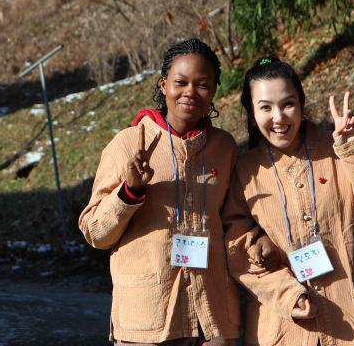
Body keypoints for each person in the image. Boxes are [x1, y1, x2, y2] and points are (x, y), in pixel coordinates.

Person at [79, 39, 279, 345]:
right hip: (147, 320)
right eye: (180, 82)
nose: (190, 92)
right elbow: (95, 233)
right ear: (163, 85)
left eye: (203, 84)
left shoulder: (223, 147)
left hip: (212, 318)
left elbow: (234, 220)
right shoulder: (127, 144)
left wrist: (258, 238)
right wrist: (129, 192)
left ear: (214, 91)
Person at [223, 55, 354, 345]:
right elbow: (237, 251)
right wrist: (288, 296)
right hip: (283, 331)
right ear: (252, 114)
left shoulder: (338, 150)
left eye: (287, 104)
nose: (279, 117)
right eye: (266, 107)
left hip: (353, 323)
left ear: (302, 104)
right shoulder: (244, 171)